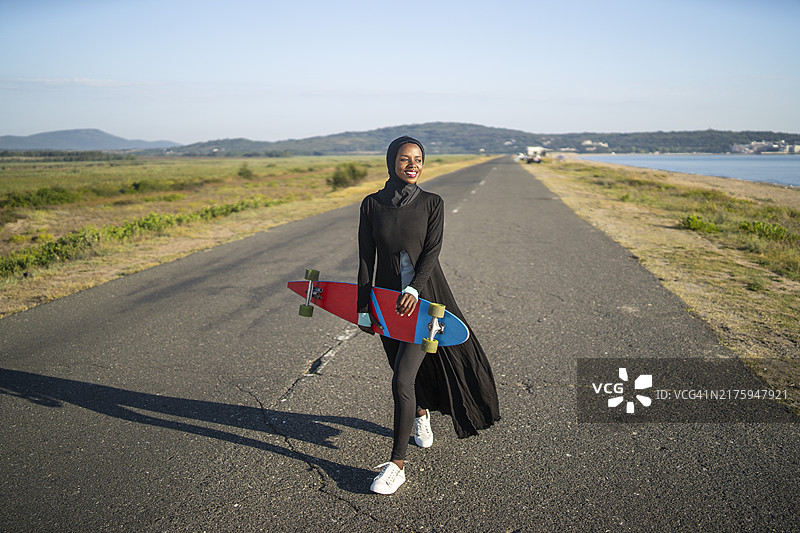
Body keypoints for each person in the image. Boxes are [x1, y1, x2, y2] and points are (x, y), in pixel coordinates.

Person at [357, 135, 501, 495]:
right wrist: (362, 306)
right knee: (398, 370)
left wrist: (414, 289)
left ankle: (396, 465)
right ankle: (420, 415)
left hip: (426, 303)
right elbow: (365, 258)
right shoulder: (371, 205)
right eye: (405, 159)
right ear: (391, 161)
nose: (412, 165)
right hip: (387, 304)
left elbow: (432, 252)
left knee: (401, 381)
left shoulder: (432, 203)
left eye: (418, 159)